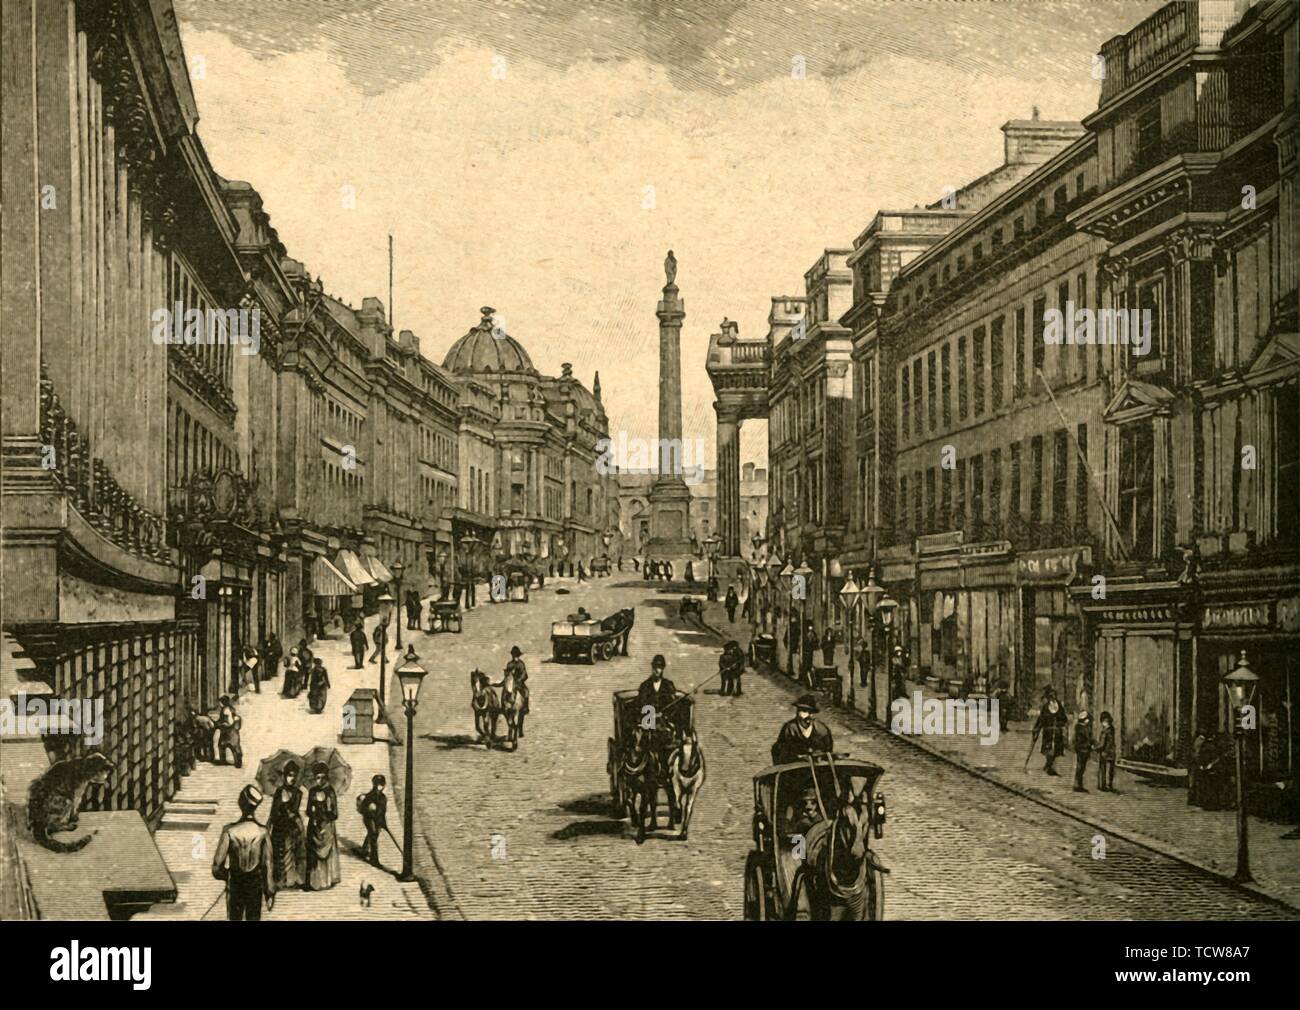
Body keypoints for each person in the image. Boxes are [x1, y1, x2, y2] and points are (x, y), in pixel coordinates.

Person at [212, 785, 275, 920]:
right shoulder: (263, 832)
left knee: (235, 918)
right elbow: (268, 865)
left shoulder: (229, 831)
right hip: (255, 883)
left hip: (236, 882)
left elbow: (217, 867)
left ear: (241, 804)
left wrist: (228, 876)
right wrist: (269, 891)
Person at [269, 762, 306, 890]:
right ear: (284, 776)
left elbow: (294, 810)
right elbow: (274, 812)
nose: (292, 779)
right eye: (290, 775)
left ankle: (293, 879)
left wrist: (287, 805)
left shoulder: (298, 793)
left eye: (294, 776)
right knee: (279, 853)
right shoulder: (279, 792)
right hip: (280, 826)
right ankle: (279, 880)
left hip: (292, 825)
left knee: (295, 852)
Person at [304, 763, 340, 891]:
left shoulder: (330, 791)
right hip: (314, 826)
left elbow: (335, 813)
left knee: (327, 852)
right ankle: (314, 882)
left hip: (327, 826)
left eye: (322, 778)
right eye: (317, 778)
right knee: (313, 852)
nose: (320, 780)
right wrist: (313, 813)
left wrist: (325, 815)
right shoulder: (312, 791)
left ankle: (326, 880)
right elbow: (308, 810)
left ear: (326, 778)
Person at [771, 694, 834, 765]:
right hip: (794, 765)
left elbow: (828, 750)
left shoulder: (822, 730)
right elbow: (781, 751)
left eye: (809, 712)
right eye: (802, 710)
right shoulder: (789, 729)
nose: (806, 715)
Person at [637, 655, 680, 736]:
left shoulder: (668, 685)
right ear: (652, 668)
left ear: (663, 669)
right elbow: (642, 704)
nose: (657, 670)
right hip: (648, 720)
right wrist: (652, 714)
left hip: (664, 720)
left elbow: (673, 704)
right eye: (655, 667)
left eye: (659, 667)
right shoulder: (645, 686)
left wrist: (664, 715)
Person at [1033, 686, 1068, 776]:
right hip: (1048, 732)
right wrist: (1036, 728)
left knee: (1056, 750)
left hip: (1057, 732)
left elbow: (1064, 718)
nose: (1052, 698)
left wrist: (1060, 724)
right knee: (1048, 749)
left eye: (1054, 696)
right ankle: (1049, 766)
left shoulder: (1059, 706)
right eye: (1050, 697)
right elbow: (1041, 719)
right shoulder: (1045, 707)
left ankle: (1049, 765)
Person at [358, 774, 388, 867]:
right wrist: (369, 809)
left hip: (378, 819)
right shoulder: (369, 796)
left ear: (384, 785)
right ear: (374, 785)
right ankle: (374, 859)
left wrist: (384, 823)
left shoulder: (383, 798)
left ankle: (364, 849)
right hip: (369, 818)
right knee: (373, 835)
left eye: (381, 785)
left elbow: (383, 811)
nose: (379, 787)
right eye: (377, 785)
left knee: (373, 834)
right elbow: (363, 809)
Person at [505, 646, 529, 737]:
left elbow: (525, 675)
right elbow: (507, 674)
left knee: (526, 692)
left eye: (516, 655)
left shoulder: (521, 664)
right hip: (510, 683)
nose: (515, 656)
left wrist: (519, 680)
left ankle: (525, 707)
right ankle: (504, 706)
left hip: (519, 683)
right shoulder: (509, 664)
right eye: (513, 655)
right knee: (504, 691)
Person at [217, 695, 242, 768]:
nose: (219, 704)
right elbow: (237, 718)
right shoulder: (232, 709)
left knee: (222, 745)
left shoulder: (225, 710)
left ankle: (223, 761)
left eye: (220, 702)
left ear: (223, 702)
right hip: (233, 731)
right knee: (235, 747)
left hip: (227, 731)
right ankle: (238, 762)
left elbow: (226, 721)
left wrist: (219, 724)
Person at [1072, 708, 1093, 792]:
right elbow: (1081, 741)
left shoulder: (1082, 728)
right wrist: (1088, 745)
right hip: (1082, 750)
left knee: (1081, 768)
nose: (1088, 721)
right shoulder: (1081, 729)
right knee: (1080, 767)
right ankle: (1077, 785)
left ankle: (1079, 785)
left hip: (1084, 750)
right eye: (1087, 720)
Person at [1095, 711, 1116, 792]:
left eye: (1103, 722)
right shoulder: (1112, 729)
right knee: (1110, 770)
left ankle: (1102, 785)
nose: (1103, 723)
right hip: (1112, 752)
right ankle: (1109, 785)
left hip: (1104, 753)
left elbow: (1102, 744)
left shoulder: (1105, 731)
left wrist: (1095, 748)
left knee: (1102, 769)